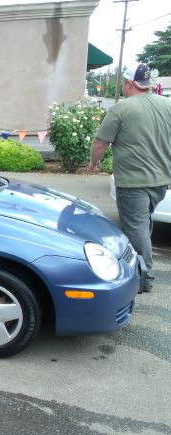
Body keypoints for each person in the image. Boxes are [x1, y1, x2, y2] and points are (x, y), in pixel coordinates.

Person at [89, 63, 171, 292]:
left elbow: (100, 142)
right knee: (143, 223)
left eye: (123, 83)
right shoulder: (167, 104)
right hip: (161, 180)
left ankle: (144, 278)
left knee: (135, 228)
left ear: (129, 83)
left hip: (134, 181)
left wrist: (94, 162)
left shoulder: (121, 108)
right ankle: (140, 269)